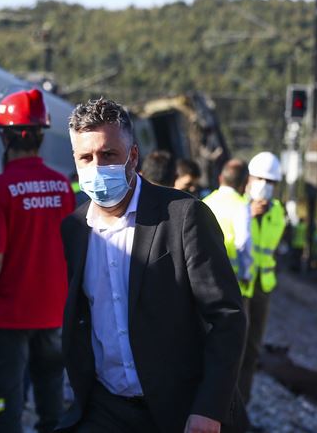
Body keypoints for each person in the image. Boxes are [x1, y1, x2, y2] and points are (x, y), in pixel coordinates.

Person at [57, 98, 247, 433]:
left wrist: (209, 408)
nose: (96, 168)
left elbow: (227, 318)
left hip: (180, 410)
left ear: (132, 156)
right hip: (106, 409)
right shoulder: (74, 229)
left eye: (108, 155)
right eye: (86, 158)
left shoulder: (182, 216)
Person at [0, 88, 74, 433]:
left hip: (5, 319)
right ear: (40, 134)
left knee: (1, 409)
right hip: (53, 315)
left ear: (6, 136)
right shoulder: (61, 187)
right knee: (52, 405)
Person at [237, 152, 287, 408]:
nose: (266, 186)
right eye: (260, 179)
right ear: (248, 178)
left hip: (261, 288)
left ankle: (242, 408)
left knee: (253, 350)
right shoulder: (238, 205)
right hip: (238, 286)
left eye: (271, 181)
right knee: (234, 348)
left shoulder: (278, 212)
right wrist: (249, 214)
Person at [203, 158, 253, 296]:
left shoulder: (205, 202)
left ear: (220, 178)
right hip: (231, 280)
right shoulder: (242, 206)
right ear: (245, 183)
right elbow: (243, 243)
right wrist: (246, 274)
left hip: (206, 278)